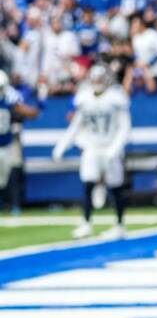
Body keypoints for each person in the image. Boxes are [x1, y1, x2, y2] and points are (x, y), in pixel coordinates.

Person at [51, 65, 131, 239]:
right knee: (88, 184)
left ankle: (119, 225)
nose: (97, 82)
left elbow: (125, 127)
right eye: (94, 79)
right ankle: (86, 223)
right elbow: (76, 125)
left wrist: (115, 148)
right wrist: (62, 146)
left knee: (115, 186)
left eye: (100, 79)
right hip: (93, 146)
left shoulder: (116, 98)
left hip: (110, 146)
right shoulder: (84, 98)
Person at [0, 71, 40, 214]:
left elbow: (28, 112)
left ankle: (15, 204)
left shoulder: (10, 100)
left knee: (13, 173)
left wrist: (37, 109)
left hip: (8, 142)